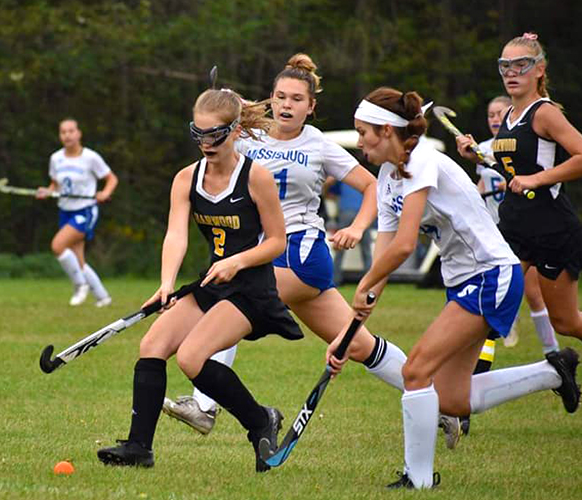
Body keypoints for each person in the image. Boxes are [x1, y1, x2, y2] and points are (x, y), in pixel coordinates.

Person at [162, 54, 461, 447]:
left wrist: (357, 227)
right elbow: (221, 122)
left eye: (298, 99)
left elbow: (371, 187)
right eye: (281, 97)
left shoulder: (319, 145)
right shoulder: (250, 136)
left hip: (301, 253)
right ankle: (438, 405)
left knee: (231, 299)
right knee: (357, 344)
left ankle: (205, 406)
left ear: (311, 107)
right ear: (270, 100)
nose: (288, 105)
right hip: (264, 254)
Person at [334, 85, 579, 490]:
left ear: (386, 131)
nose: (360, 141)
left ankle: (419, 479)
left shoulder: (422, 162)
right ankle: (553, 372)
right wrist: (358, 313)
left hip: (490, 275)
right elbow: (385, 250)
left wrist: (366, 281)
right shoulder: (387, 176)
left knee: (416, 371)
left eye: (364, 132)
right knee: (451, 399)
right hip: (463, 281)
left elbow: (407, 244)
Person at [97, 88, 304, 472]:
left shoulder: (255, 178)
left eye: (216, 135)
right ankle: (139, 447)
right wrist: (165, 284)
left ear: (236, 130)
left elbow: (277, 241)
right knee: (153, 344)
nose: (207, 144)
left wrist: (238, 262)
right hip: (213, 283)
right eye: (199, 134)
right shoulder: (186, 179)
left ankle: (260, 421)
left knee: (192, 357)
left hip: (251, 290)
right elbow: (176, 234)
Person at [457, 33, 582, 349]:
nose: (511, 72)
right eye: (505, 66)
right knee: (486, 301)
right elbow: (512, 167)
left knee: (566, 322)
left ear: (539, 69)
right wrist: (476, 155)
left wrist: (537, 180)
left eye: (521, 65)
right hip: (513, 225)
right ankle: (470, 384)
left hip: (552, 227)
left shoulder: (545, 112)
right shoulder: (509, 117)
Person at [459, 94, 561, 435]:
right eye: (489, 114)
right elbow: (483, 183)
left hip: (532, 229)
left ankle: (554, 356)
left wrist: (518, 179)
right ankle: (466, 396)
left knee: (545, 304)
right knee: (488, 313)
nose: (493, 118)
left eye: (498, 113)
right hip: (498, 233)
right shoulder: (486, 148)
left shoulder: (520, 141)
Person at [36, 118, 118, 307]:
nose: (67, 135)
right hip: (65, 211)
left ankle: (80, 285)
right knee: (78, 260)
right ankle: (102, 296)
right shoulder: (56, 158)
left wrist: (104, 193)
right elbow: (55, 185)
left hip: (85, 211)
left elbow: (111, 178)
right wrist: (47, 192)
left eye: (71, 131)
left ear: (79, 133)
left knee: (57, 246)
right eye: (63, 132)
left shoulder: (90, 157)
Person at [329, 180, 373, 285]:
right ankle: (370, 282)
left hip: (346, 212)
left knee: (340, 247)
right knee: (366, 250)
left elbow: (330, 194)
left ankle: (335, 280)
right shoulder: (365, 181)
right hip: (361, 212)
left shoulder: (342, 180)